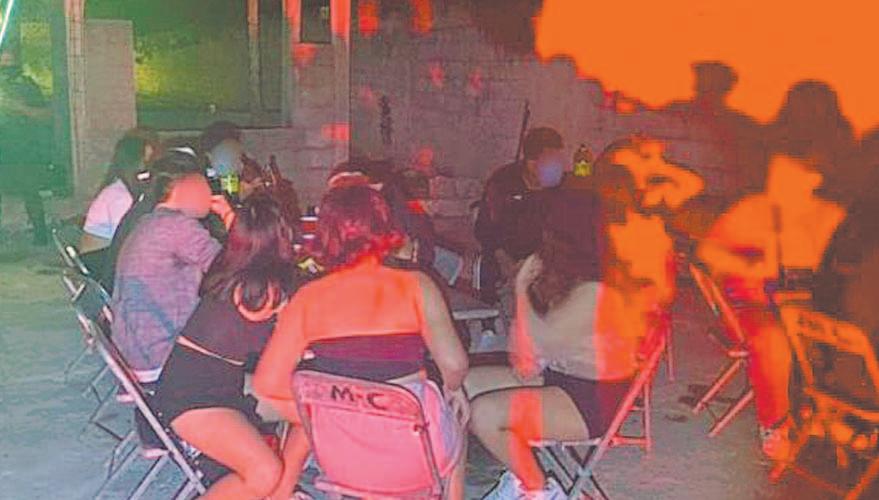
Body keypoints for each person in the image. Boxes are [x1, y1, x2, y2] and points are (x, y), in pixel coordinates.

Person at [253, 184, 469, 499]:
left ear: (326, 234)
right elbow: (455, 364)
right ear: (384, 227)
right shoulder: (416, 286)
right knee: (458, 422)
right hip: (416, 457)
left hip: (341, 460)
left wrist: (332, 408)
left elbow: (268, 383)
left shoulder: (308, 298)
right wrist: (453, 388)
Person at [469, 161, 666, 499]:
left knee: (485, 414)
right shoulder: (580, 279)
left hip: (589, 402)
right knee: (464, 384)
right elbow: (529, 360)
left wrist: (520, 289)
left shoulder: (596, 291)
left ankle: (538, 490)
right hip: (563, 379)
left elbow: (527, 354)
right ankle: (514, 473)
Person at [153, 194, 305, 499]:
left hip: (216, 383)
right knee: (263, 472)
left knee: (313, 413)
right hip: (192, 398)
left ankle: (280, 494)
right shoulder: (261, 291)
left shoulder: (232, 266)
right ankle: (272, 489)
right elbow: (285, 353)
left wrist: (229, 215)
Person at [697, 154, 846, 459]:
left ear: (814, 179)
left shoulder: (829, 214)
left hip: (806, 305)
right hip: (753, 304)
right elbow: (707, 251)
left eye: (788, 173)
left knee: (844, 336)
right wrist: (746, 264)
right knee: (772, 339)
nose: (776, 180)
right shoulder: (753, 209)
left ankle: (827, 414)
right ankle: (775, 425)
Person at [474, 127, 565, 310]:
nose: (558, 165)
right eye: (551, 159)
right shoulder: (503, 183)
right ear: (532, 163)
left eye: (559, 159)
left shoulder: (558, 189)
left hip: (544, 263)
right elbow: (486, 230)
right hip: (507, 261)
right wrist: (510, 265)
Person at [98, 148, 202, 293]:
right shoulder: (167, 221)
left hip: (121, 296)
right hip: (142, 301)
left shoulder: (145, 208)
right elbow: (215, 267)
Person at [0, 47, 52, 245]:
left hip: (24, 149)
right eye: (3, 63)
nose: (6, 67)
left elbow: (44, 115)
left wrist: (18, 107)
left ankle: (40, 234)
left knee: (30, 192)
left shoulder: (27, 86)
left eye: (10, 63)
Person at [81, 129, 159, 257]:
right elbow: (128, 238)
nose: (149, 168)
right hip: (101, 259)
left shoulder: (125, 189)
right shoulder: (118, 195)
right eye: (146, 162)